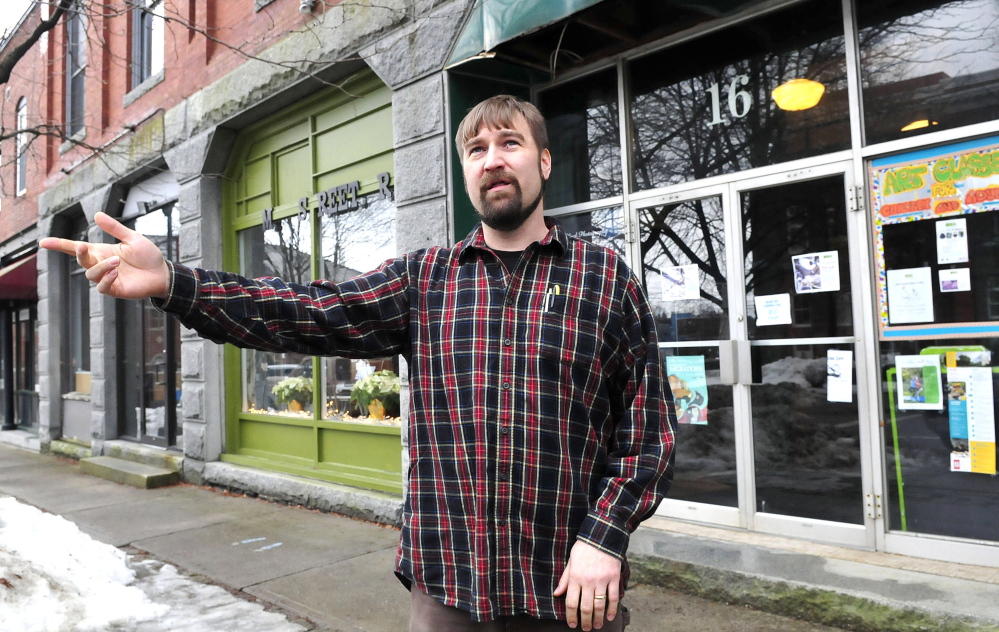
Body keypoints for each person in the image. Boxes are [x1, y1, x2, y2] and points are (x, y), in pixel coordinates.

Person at [41, 95, 676, 631]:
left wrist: (604, 537)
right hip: (449, 583)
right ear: (464, 172)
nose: (492, 160)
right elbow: (302, 307)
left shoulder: (603, 276)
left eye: (509, 143)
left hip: (570, 582)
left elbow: (647, 430)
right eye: (475, 150)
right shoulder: (425, 280)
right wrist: (175, 283)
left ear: (542, 159)